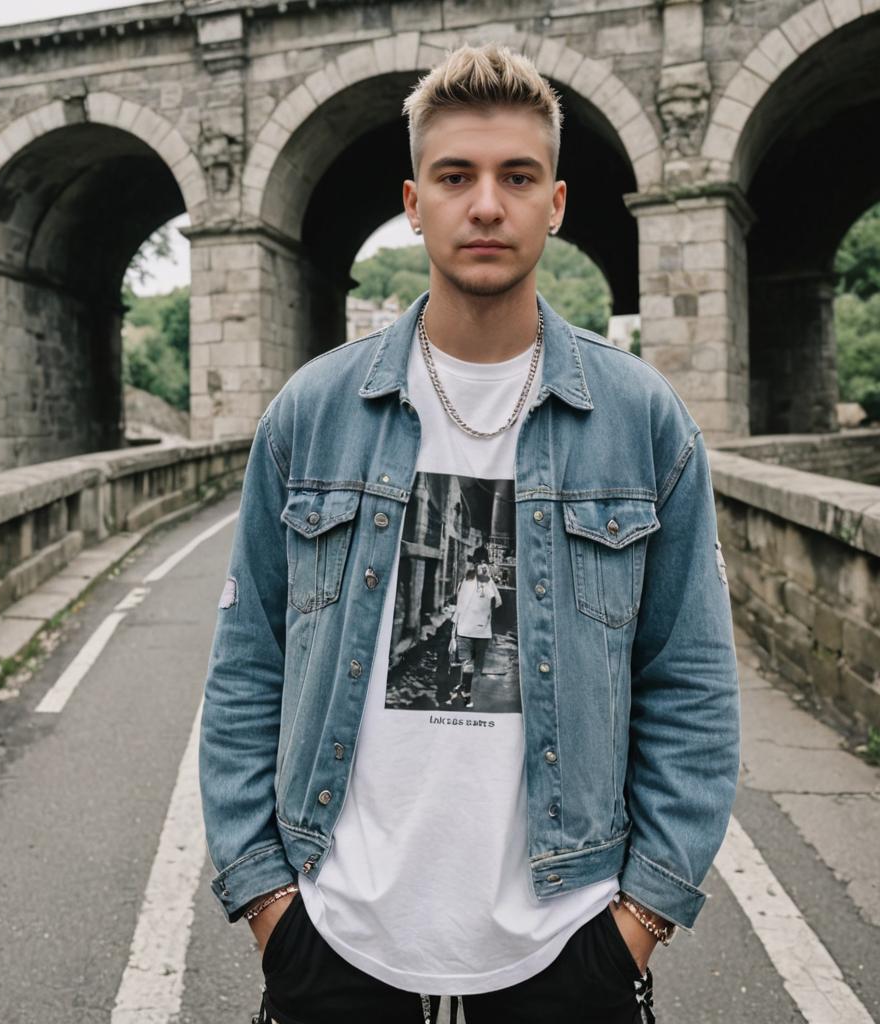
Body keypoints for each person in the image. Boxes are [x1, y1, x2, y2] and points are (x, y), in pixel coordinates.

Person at [199, 41, 740, 1024]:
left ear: (555, 203)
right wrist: (268, 899)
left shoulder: (642, 423)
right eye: (455, 176)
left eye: (515, 176)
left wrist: (639, 915)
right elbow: (247, 665)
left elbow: (691, 681)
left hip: (564, 941)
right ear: (414, 201)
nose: (484, 204)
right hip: (338, 934)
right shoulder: (311, 414)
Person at [446, 549, 502, 708]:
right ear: (484, 562)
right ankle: (466, 694)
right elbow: (497, 603)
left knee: (467, 663)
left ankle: (462, 693)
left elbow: (460, 605)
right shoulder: (486, 580)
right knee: (472, 664)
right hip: (479, 631)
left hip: (467, 628)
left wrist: (454, 628)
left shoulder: (467, 579)